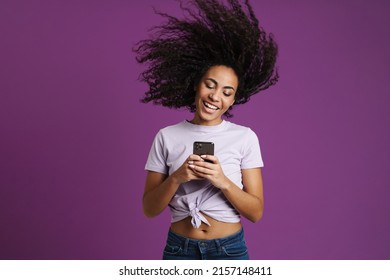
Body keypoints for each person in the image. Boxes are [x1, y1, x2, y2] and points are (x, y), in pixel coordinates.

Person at [134, 0, 278, 260]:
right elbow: (149, 208)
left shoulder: (244, 137)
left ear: (234, 100)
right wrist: (177, 177)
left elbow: (255, 212)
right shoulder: (166, 136)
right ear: (196, 85)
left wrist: (221, 180)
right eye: (210, 85)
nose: (215, 96)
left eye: (227, 92)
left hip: (229, 251)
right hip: (180, 250)